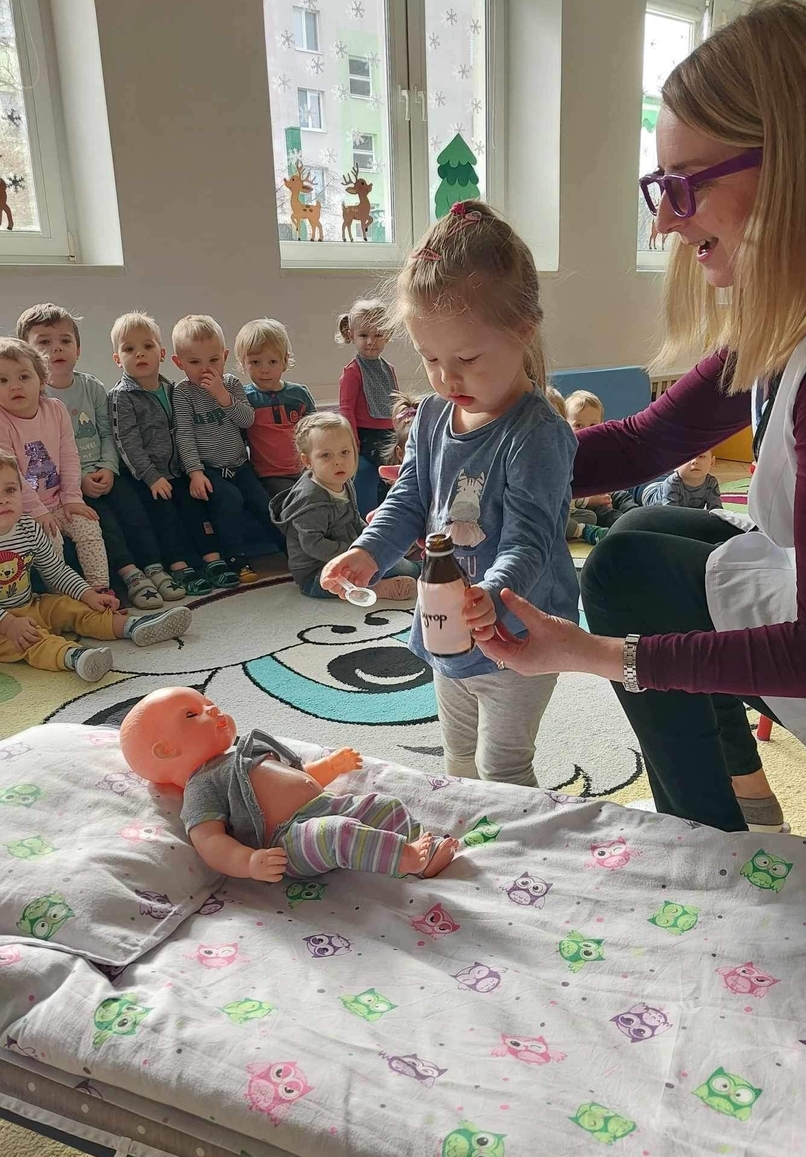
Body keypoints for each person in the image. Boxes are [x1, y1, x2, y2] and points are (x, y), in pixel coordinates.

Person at [478, 0, 806, 833]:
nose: (664, 221)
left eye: (685, 186)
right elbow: (648, 440)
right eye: (659, 187)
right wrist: (480, 460)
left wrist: (589, 654)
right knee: (649, 533)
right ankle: (740, 792)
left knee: (624, 572)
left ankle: (703, 843)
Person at [321, 201, 579, 789]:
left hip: (516, 630)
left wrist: (489, 593)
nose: (446, 377)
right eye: (430, 358)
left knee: (502, 767)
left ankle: (511, 844)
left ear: (523, 329)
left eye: (466, 358)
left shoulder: (536, 434)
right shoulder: (434, 415)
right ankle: (465, 829)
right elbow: (410, 498)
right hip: (446, 624)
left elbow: (531, 540)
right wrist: (368, 551)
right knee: (457, 756)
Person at [120, 688, 458, 880]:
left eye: (207, 703)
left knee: (385, 805)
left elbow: (298, 776)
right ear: (166, 750)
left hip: (325, 804)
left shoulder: (244, 753)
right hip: (289, 839)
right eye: (192, 714)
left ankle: (421, 850)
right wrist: (248, 862)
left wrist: (330, 767)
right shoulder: (201, 785)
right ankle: (407, 859)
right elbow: (208, 839)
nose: (213, 709)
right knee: (338, 833)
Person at [18, 302, 171, 610]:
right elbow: (50, 452)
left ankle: (155, 567)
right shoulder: (37, 399)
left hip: (104, 469)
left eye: (65, 340)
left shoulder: (92, 387)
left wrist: (109, 468)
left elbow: (108, 433)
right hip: (70, 484)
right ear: (28, 355)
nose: (56, 348)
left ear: (78, 349)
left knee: (133, 509)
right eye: (44, 342)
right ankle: (130, 574)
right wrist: (80, 481)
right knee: (103, 521)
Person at [0, 448, 191, 681]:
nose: (3, 500)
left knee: (68, 606)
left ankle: (132, 626)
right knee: (29, 641)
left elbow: (56, 572)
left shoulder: (28, 528)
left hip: (30, 605)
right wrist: (9, 624)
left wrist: (89, 595)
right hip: (3, 625)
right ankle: (74, 656)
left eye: (10, 490)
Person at [109, 312, 227, 596]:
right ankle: (179, 567)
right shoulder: (122, 396)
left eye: (147, 346)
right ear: (118, 359)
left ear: (161, 354)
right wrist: (151, 477)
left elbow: (184, 431)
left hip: (178, 471)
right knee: (166, 517)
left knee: (195, 510)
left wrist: (191, 468)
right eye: (129, 349)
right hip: (148, 478)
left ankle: (212, 560)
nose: (139, 354)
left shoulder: (172, 389)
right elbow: (127, 443)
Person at [0, 337, 111, 594]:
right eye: (2, 380)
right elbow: (11, 476)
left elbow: (69, 456)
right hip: (25, 510)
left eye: (24, 377)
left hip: (60, 500)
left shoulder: (56, 410)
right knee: (51, 541)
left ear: (42, 379)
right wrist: (37, 511)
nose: (15, 386)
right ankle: (63, 598)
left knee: (88, 527)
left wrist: (72, 498)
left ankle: (100, 590)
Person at [270, 411, 418, 600]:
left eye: (345, 452)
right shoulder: (309, 501)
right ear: (307, 461)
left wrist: (371, 544)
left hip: (347, 555)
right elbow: (314, 545)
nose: (338, 462)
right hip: (317, 574)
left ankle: (413, 568)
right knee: (394, 567)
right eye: (326, 455)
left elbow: (355, 519)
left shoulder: (343, 482)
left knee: (388, 559)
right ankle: (382, 587)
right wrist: (354, 552)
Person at [171, 314, 275, 577]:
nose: (206, 369)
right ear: (179, 363)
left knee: (264, 504)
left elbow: (247, 419)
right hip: (210, 470)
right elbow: (184, 436)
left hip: (240, 465)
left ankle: (294, 552)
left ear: (225, 357)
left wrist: (222, 396)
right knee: (230, 500)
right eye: (195, 362)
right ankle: (236, 560)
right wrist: (195, 473)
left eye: (213, 360)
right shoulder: (182, 393)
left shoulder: (230, 384)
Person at [237, 318, 316, 497]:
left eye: (272, 362)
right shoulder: (244, 398)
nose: (264, 370)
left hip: (306, 469)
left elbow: (316, 433)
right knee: (294, 501)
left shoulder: (299, 394)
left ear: (285, 361)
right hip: (270, 476)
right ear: (243, 363)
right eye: (255, 362)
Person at [336, 298, 400, 503]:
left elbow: (396, 402)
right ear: (351, 335)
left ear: (387, 335)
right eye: (363, 335)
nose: (371, 341)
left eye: (378, 335)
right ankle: (383, 510)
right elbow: (346, 409)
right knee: (387, 468)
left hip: (390, 432)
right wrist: (352, 442)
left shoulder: (388, 369)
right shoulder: (353, 371)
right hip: (366, 435)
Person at [563, 390, 638, 544]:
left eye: (593, 425)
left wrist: (607, 489)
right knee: (602, 514)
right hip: (583, 501)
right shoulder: (567, 452)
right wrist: (590, 500)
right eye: (578, 425)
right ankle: (627, 526)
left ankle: (636, 515)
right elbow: (568, 491)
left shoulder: (598, 446)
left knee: (622, 495)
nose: (587, 430)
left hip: (600, 491)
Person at [641, 450, 722, 510]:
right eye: (688, 457)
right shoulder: (672, 484)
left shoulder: (711, 482)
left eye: (701, 456)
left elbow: (717, 511)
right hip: (650, 491)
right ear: (674, 464)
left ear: (712, 462)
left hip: (668, 479)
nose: (694, 461)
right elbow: (672, 515)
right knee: (639, 480)